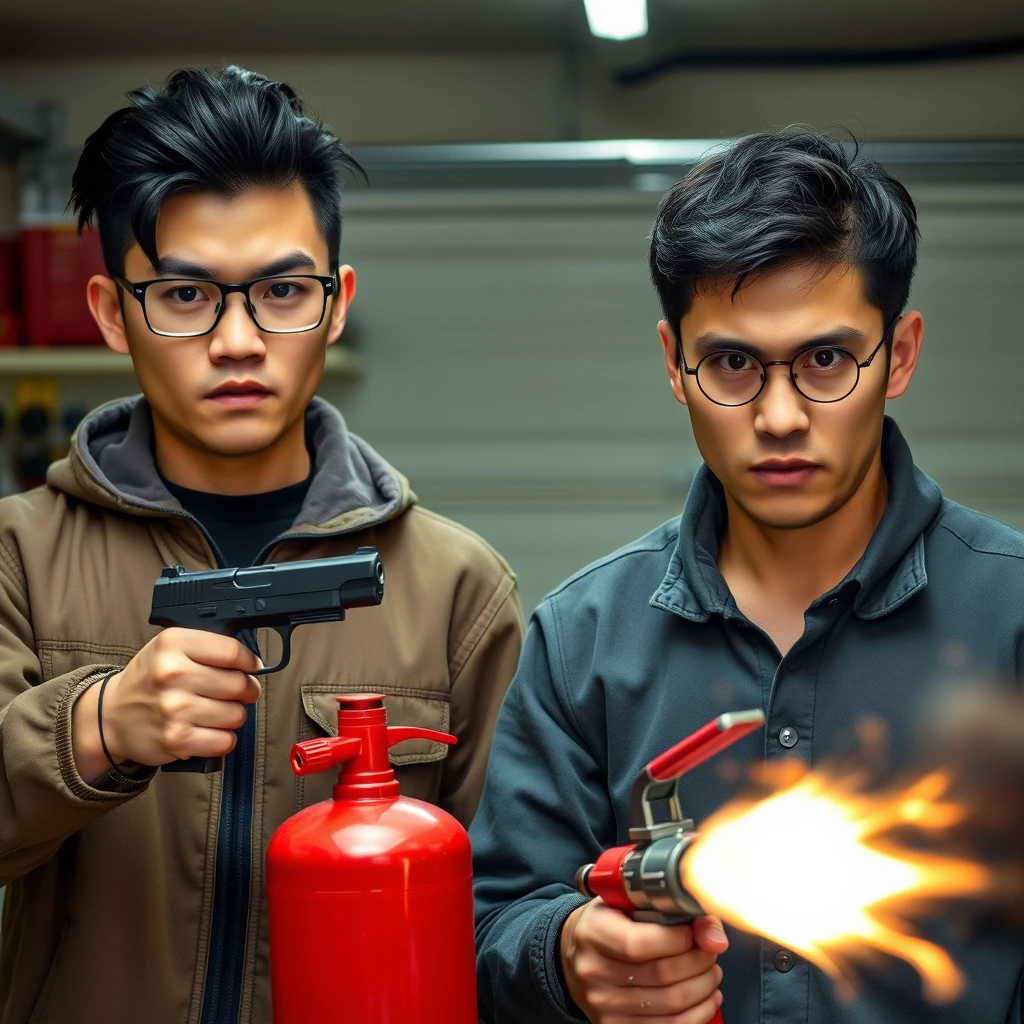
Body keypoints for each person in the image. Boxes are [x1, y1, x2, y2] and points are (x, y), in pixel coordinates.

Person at [0, 66, 523, 1024]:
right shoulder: (16, 557)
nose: (239, 341)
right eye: (187, 295)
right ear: (114, 313)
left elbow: (506, 909)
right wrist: (98, 727)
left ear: (337, 299)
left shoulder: (458, 588)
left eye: (283, 290)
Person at [471, 129, 1024, 1024]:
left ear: (902, 354)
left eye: (826, 360)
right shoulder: (582, 639)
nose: (777, 416)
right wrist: (565, 955)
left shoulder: (1013, 618)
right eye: (732, 362)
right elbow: (489, 924)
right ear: (673, 364)